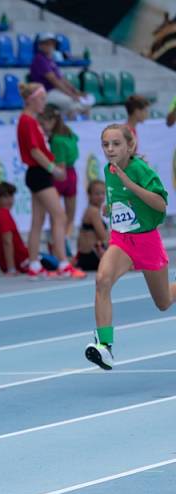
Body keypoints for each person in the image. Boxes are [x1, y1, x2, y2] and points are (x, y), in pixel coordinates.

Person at [85, 124, 176, 370]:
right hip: (122, 240)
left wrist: (131, 185)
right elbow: (119, 196)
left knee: (164, 302)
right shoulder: (108, 169)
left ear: (130, 146)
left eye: (116, 144)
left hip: (147, 241)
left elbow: (160, 205)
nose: (110, 149)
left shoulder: (140, 170)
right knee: (102, 280)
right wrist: (111, 207)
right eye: (106, 145)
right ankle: (105, 346)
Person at [16, 82, 84, 279]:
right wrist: (53, 169)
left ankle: (35, 264)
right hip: (39, 174)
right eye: (42, 99)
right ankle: (63, 262)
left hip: (37, 173)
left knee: (38, 221)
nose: (44, 103)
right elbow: (35, 151)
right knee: (60, 216)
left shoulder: (30, 120)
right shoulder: (27, 121)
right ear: (32, 100)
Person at [40, 104, 79, 243]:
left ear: (53, 121)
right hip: (72, 174)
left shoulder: (56, 140)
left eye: (43, 123)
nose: (42, 127)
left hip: (60, 175)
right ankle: (66, 238)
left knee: (56, 216)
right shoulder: (70, 134)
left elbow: (60, 165)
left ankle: (58, 242)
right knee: (70, 215)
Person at [75, 180, 108, 272]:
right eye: (97, 194)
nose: (101, 196)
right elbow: (103, 237)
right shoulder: (93, 211)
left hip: (85, 256)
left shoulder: (90, 210)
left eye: (103, 193)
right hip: (90, 257)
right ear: (89, 195)